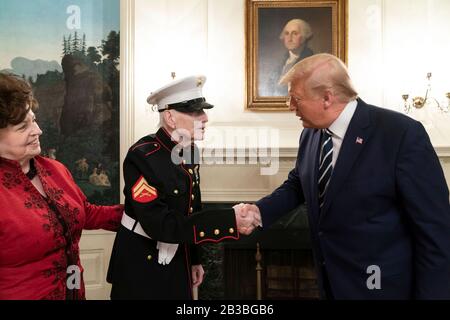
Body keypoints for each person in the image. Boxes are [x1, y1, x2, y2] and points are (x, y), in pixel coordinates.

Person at [242, 53, 450, 299]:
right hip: (332, 285)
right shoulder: (311, 134)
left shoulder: (400, 134)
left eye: (295, 98)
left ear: (327, 98)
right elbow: (298, 184)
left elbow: (436, 233)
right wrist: (258, 212)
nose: (291, 106)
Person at [107, 75, 260, 300]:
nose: (205, 118)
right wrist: (230, 219)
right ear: (170, 117)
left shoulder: (188, 150)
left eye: (203, 111)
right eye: (196, 112)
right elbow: (160, 225)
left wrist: (194, 259)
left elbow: (191, 209)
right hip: (141, 265)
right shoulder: (141, 156)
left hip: (178, 255)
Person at [0, 73, 124, 300]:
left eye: (34, 119)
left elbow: (84, 212)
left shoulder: (55, 169)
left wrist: (140, 211)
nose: (37, 130)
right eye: (22, 126)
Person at [271, 18, 314, 96]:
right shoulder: (281, 62)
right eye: (287, 33)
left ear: (304, 37)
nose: (289, 38)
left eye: (294, 33)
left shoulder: (312, 62)